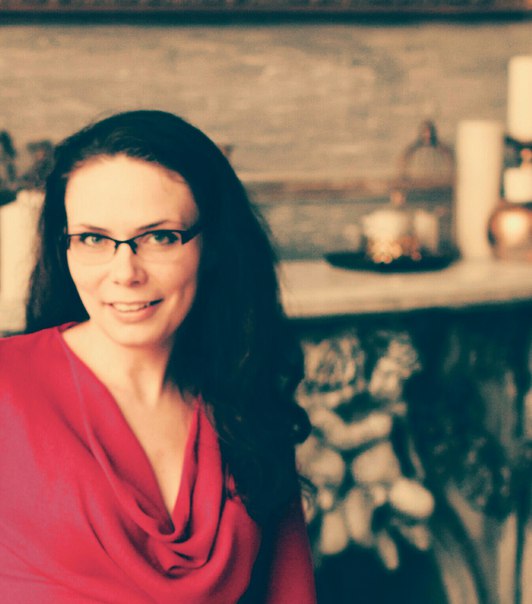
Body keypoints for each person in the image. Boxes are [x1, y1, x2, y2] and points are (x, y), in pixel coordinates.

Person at [0, 110, 316, 603]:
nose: (125, 273)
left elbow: (290, 592)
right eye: (93, 239)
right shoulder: (8, 386)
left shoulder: (248, 400)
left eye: (160, 237)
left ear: (213, 246)